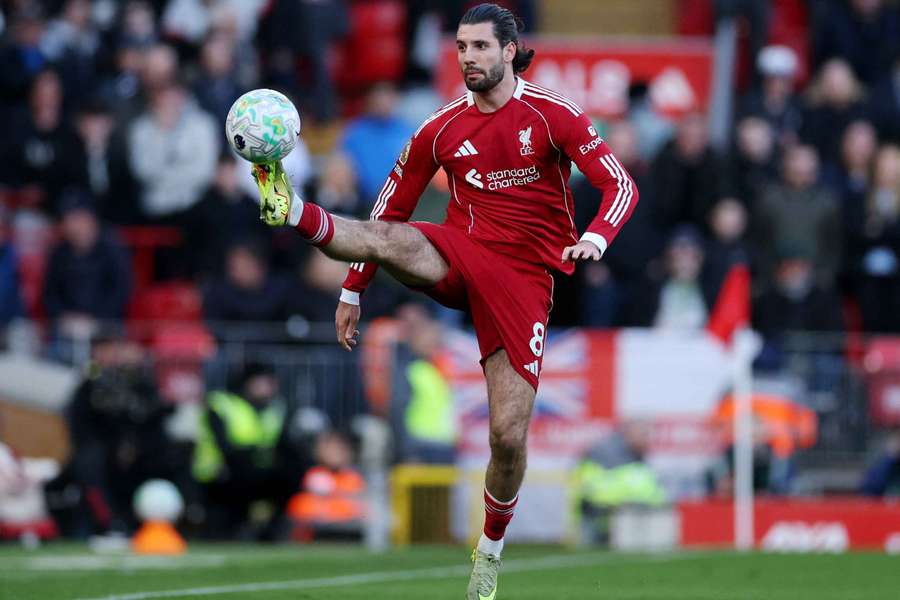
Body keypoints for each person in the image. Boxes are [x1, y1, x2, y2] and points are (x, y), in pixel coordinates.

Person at [250, 4, 638, 597]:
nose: (469, 59)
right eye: (461, 48)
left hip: (525, 278)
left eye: (481, 47)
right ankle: (291, 207)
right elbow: (389, 207)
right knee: (391, 237)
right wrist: (353, 288)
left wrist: (595, 236)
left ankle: (489, 550)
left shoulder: (553, 114)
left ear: (510, 50)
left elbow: (620, 184)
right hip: (460, 251)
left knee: (507, 437)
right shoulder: (440, 128)